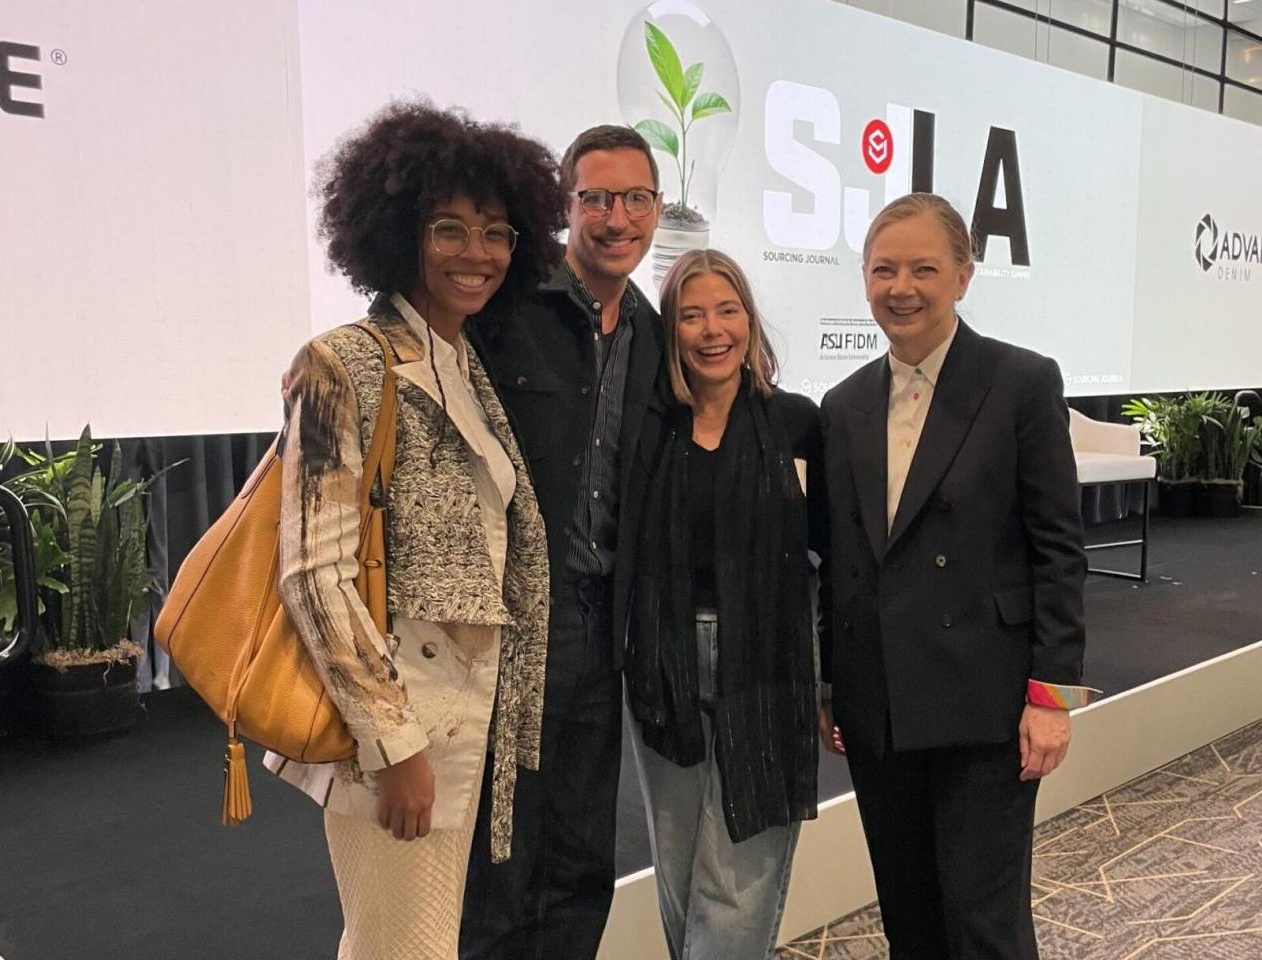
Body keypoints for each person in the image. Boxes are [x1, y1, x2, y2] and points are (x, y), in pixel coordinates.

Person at [265, 101, 564, 960]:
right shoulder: (343, 360)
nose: (479, 254)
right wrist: (392, 747)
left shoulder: (464, 360)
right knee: (398, 946)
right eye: (451, 229)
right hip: (401, 721)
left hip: (465, 715)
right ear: (399, 233)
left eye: (499, 233)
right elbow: (314, 575)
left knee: (416, 942)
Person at [816, 192, 1098, 960]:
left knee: (982, 921)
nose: (900, 287)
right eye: (882, 270)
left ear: (964, 276)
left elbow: (1059, 551)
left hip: (988, 703)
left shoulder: (1021, 383)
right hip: (880, 712)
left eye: (923, 268)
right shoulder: (841, 408)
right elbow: (838, 566)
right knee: (908, 913)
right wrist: (833, 687)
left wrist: (1054, 698)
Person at [460, 125, 665, 960]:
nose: (618, 218)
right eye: (597, 198)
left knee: (584, 854)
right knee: (503, 850)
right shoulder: (508, 305)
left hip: (604, 620)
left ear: (658, 207)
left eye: (637, 198)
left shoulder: (654, 334)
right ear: (566, 205)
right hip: (510, 622)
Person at [624, 249, 824, 960]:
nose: (713, 330)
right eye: (691, 314)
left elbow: (831, 560)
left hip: (768, 662)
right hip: (662, 664)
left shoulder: (797, 423)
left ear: (750, 320)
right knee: (680, 874)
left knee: (738, 878)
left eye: (728, 310)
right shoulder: (648, 428)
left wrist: (834, 682)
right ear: (669, 330)